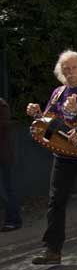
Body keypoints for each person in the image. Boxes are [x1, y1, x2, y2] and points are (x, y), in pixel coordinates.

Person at [26, 50, 77, 263]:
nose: (70, 73)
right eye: (66, 69)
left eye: (74, 68)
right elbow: (51, 120)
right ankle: (52, 250)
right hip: (64, 153)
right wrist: (38, 114)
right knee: (56, 201)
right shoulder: (58, 92)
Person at [0, 97, 21, 232]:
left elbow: (6, 124)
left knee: (7, 188)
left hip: (4, 154)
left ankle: (13, 220)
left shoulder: (1, 105)